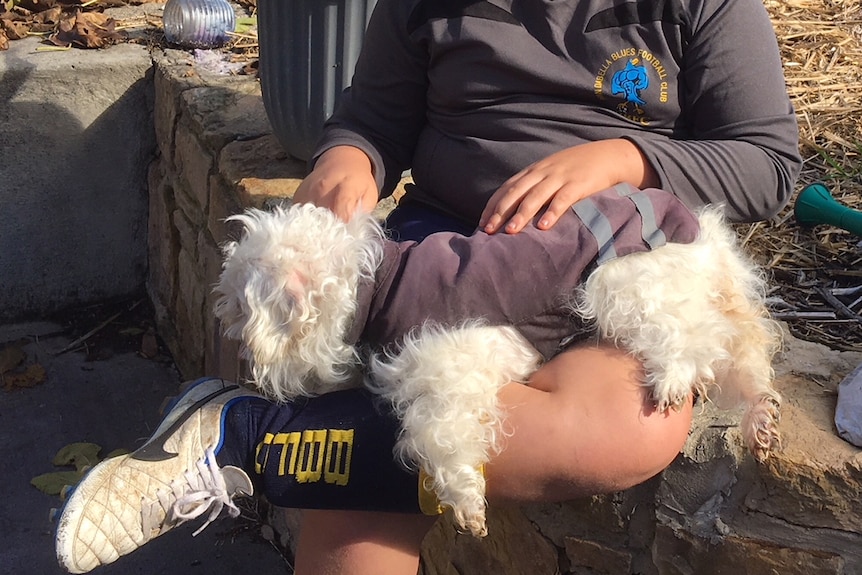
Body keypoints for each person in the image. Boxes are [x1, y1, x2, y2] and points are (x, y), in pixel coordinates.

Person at [55, 0, 801, 574]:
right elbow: (371, 122)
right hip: (447, 255)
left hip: (607, 280)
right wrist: (349, 160)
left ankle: (252, 437)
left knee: (631, 424)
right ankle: (258, 438)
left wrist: (626, 157)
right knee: (355, 532)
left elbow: (768, 161)